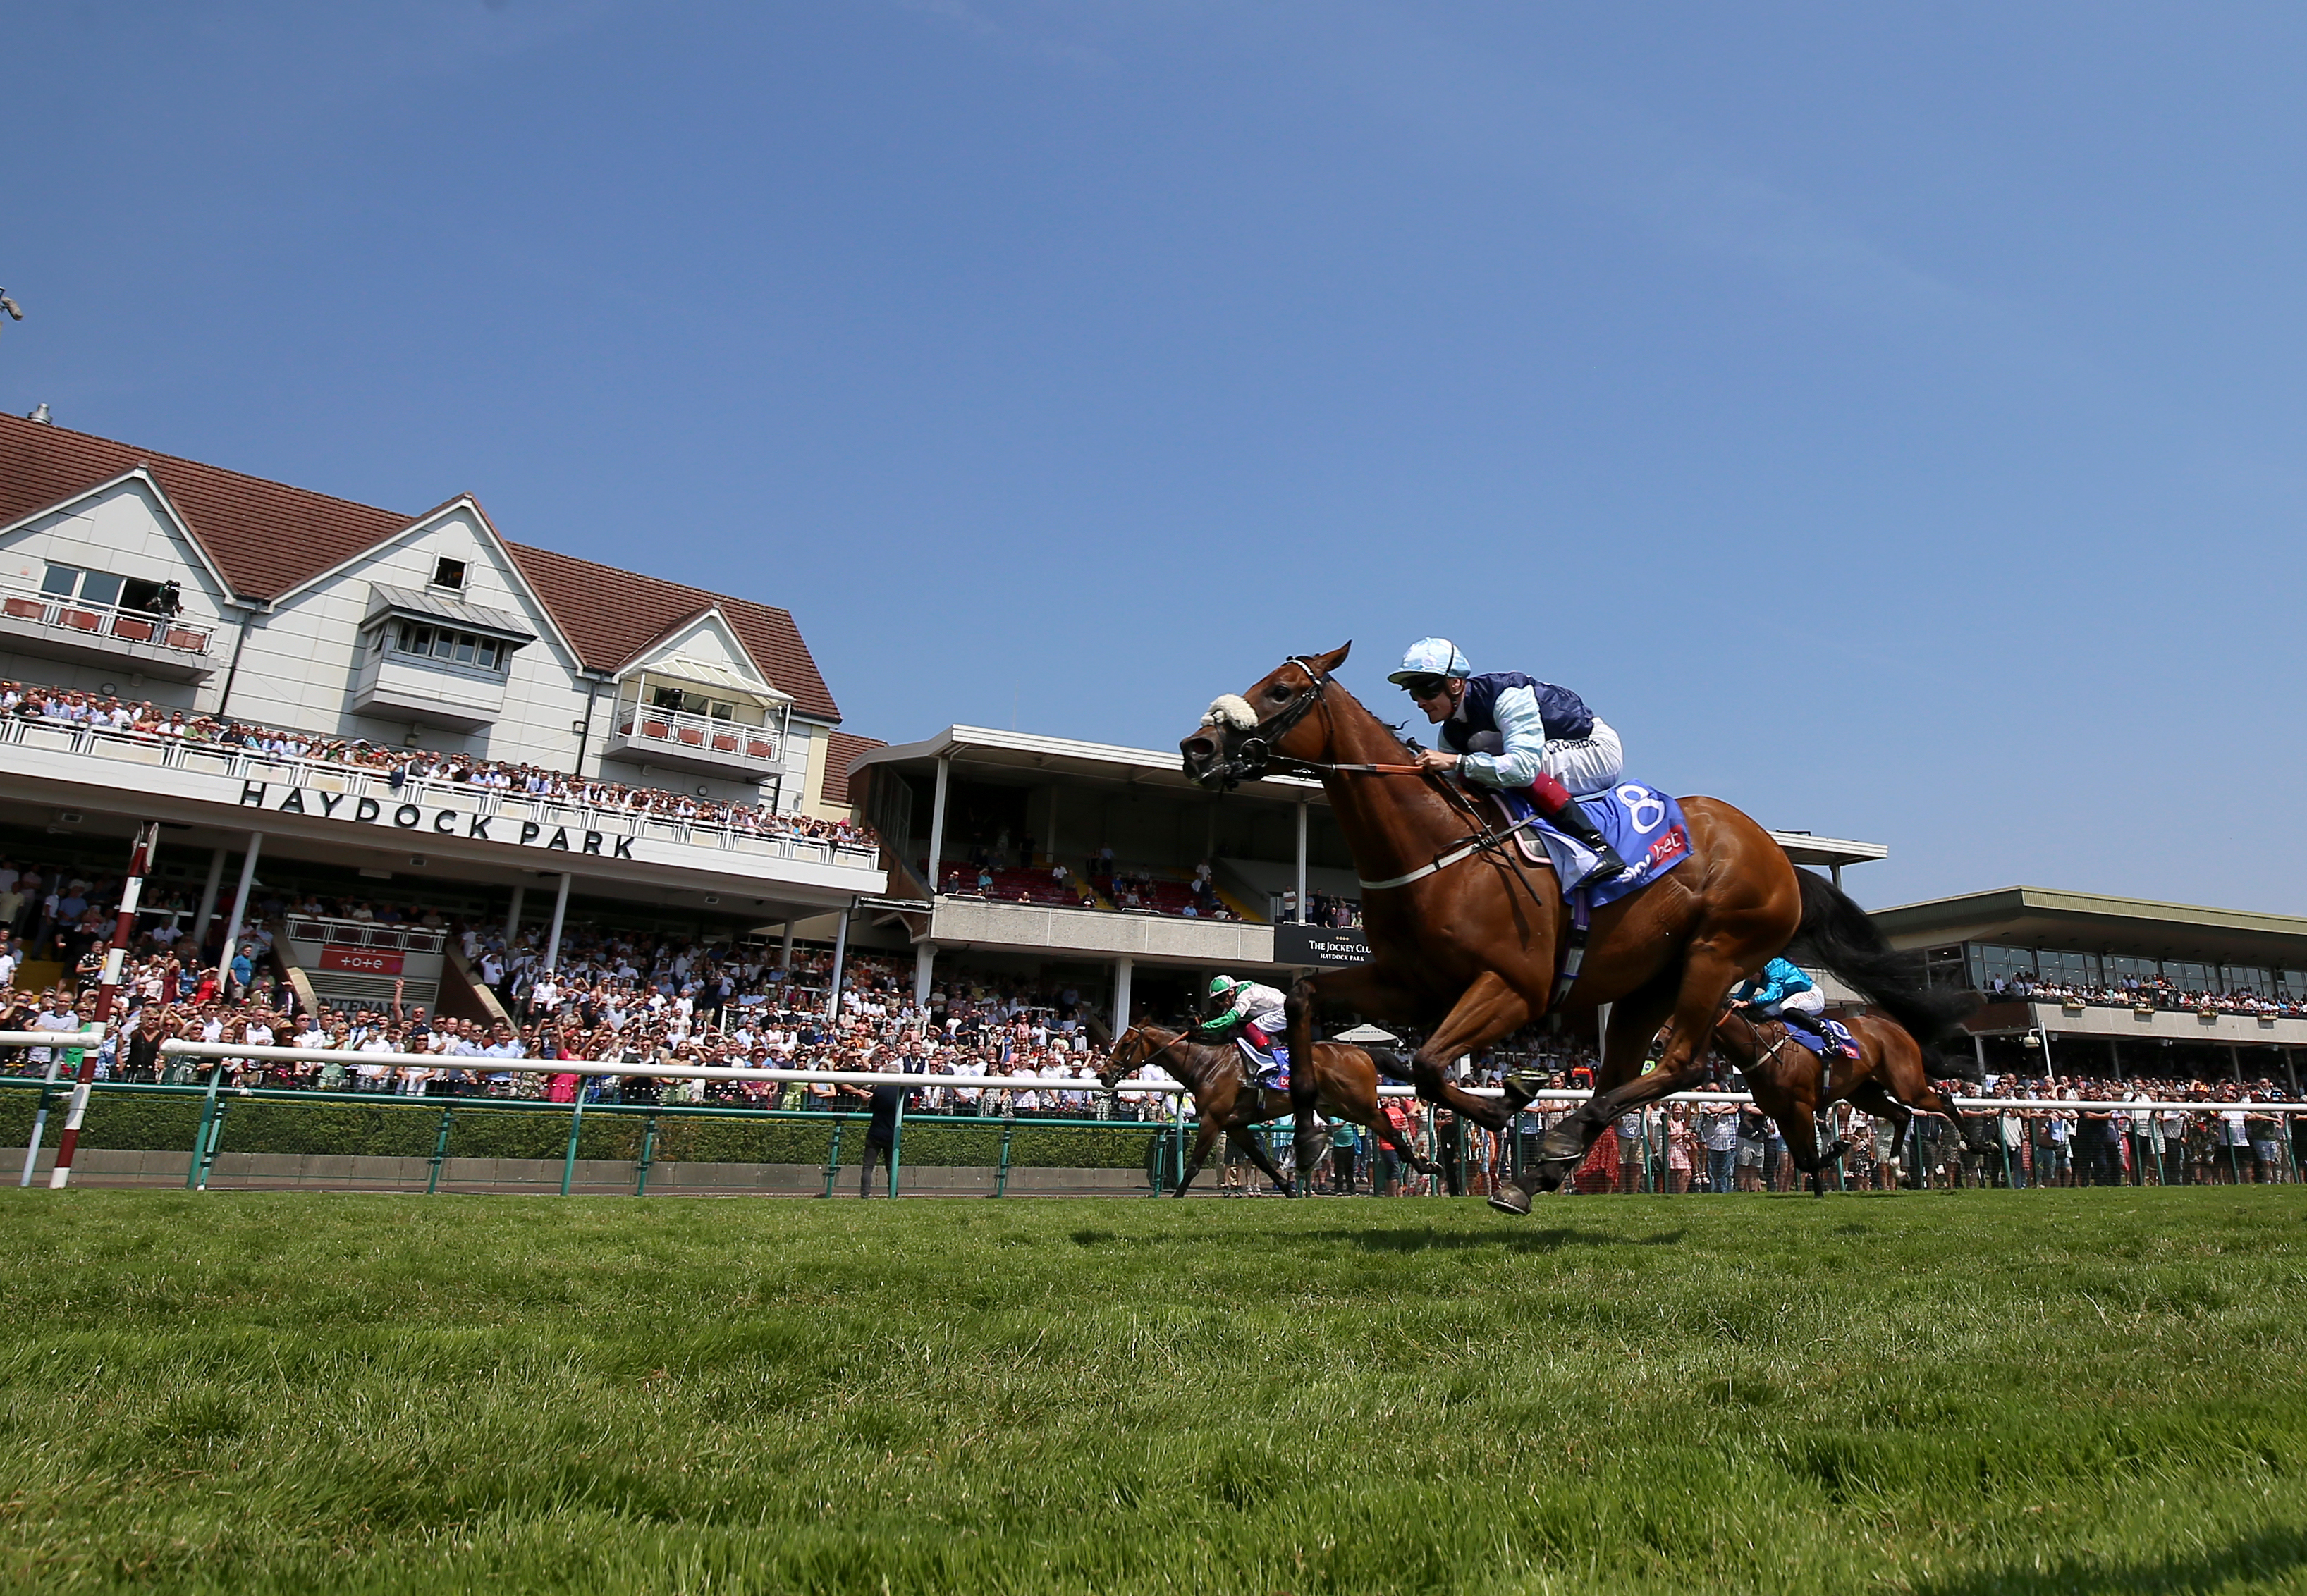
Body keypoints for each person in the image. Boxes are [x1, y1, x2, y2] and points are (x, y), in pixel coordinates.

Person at [1387, 637, 1630, 885]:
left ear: (1455, 683)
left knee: (1518, 767)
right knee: (1475, 776)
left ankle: (1599, 849)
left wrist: (1457, 762)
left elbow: (1524, 769)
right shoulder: (1450, 734)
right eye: (1413, 692)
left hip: (1596, 749)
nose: (1420, 701)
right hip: (1548, 758)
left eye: (1426, 689)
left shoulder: (1506, 695)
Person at [1730, 957, 1856, 1060]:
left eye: (1752, 975)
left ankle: (1828, 1035)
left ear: (1761, 969)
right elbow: (1741, 996)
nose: (1750, 978)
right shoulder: (1753, 978)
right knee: (1765, 1014)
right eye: (1748, 976)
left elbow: (1773, 994)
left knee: (1785, 1007)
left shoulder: (1776, 967)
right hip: (1789, 997)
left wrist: (1748, 1003)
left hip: (1811, 994)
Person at [1196, 974, 1291, 1093]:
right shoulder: (1235, 995)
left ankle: (1271, 1063)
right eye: (1216, 1000)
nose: (1220, 1003)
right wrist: (1204, 1028)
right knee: (1245, 1036)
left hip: (1286, 1010)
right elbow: (1223, 1022)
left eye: (1221, 998)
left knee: (1252, 1029)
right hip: (1280, 1009)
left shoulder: (1244, 996)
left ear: (1231, 992)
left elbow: (1230, 1019)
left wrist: (1203, 1028)